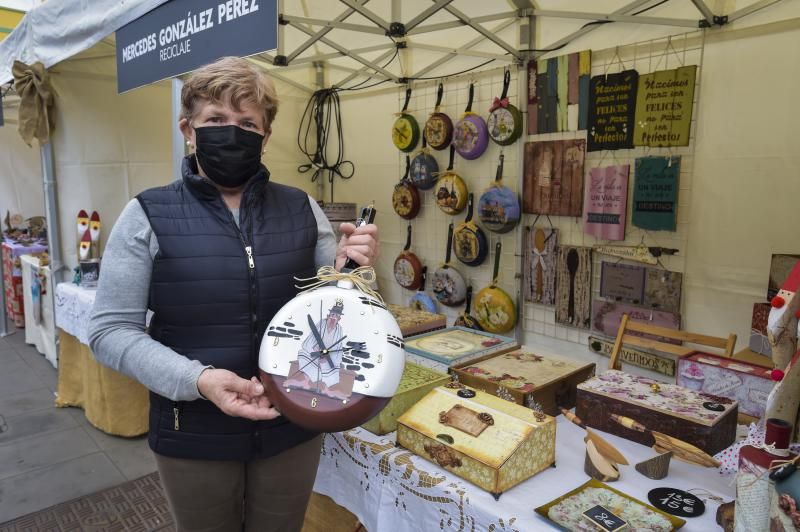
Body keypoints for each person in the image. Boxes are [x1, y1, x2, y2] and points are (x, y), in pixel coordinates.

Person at [88, 56, 379, 532]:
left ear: (265, 137)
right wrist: (199, 379)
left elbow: (340, 312)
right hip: (193, 429)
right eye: (216, 120)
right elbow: (109, 331)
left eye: (247, 123)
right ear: (188, 129)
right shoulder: (147, 214)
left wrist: (356, 270)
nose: (232, 132)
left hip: (294, 421)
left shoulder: (301, 208)